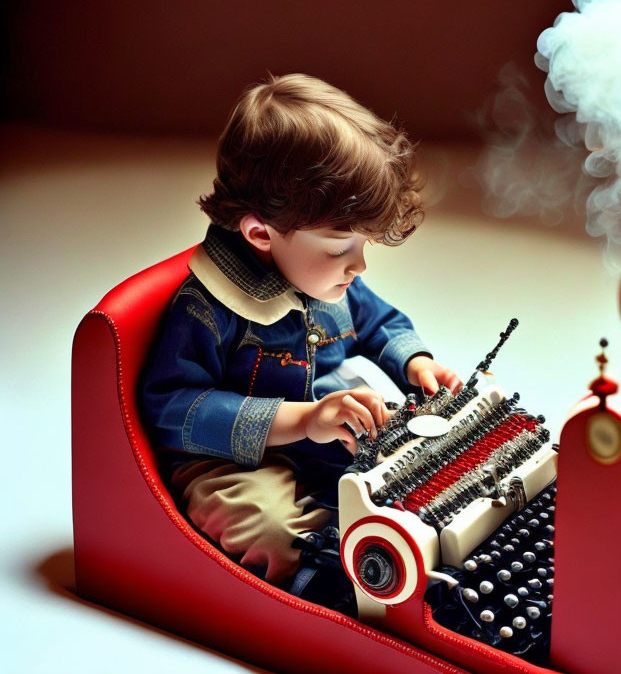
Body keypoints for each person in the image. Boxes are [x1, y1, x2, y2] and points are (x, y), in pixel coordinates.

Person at [141, 73, 460, 593]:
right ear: (260, 233)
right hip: (227, 460)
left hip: (323, 418)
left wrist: (415, 363)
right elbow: (172, 408)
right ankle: (329, 573)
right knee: (265, 525)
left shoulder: (321, 277)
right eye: (340, 248)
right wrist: (302, 419)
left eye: (364, 245)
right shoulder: (204, 308)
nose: (358, 265)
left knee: (406, 455)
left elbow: (380, 321)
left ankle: (413, 542)